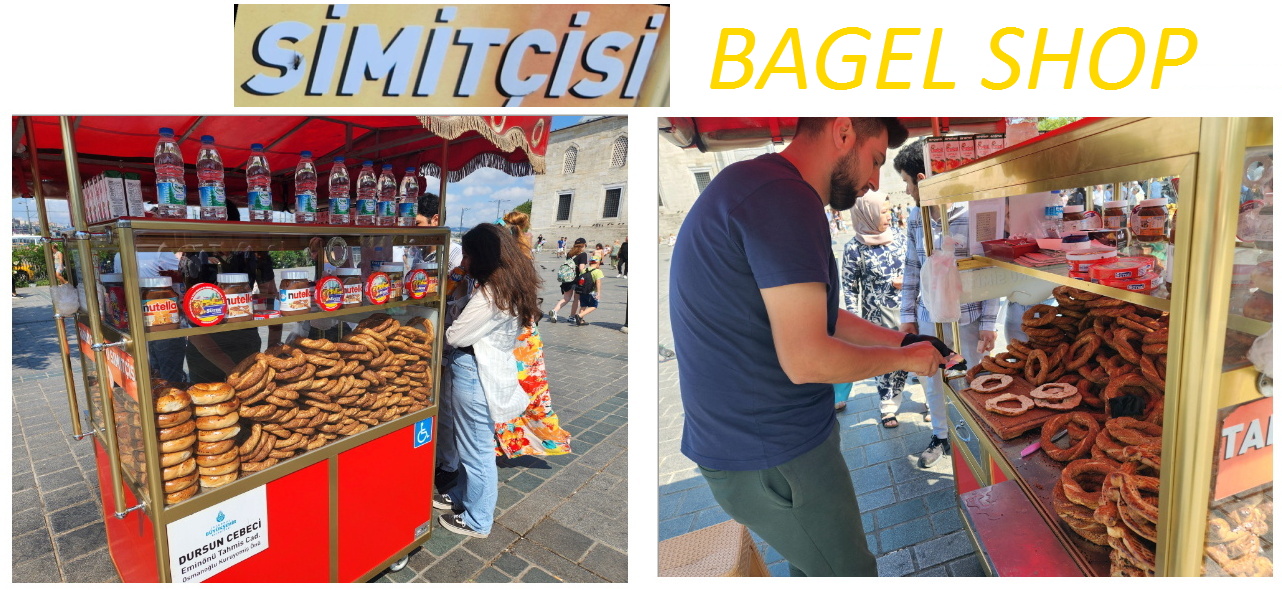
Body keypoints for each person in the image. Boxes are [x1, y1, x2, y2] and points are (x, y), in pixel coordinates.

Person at [670, 117, 945, 577]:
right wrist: (904, 359)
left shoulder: (755, 182)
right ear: (843, 132)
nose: (875, 181)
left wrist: (902, 339)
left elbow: (816, 313)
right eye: (875, 160)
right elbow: (807, 358)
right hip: (773, 451)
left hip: (755, 443)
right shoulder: (784, 199)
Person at [894, 138, 1000, 468]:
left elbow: (991, 270)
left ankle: (978, 434)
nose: (907, 191)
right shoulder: (916, 216)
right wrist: (907, 316)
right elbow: (911, 267)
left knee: (972, 377)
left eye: (907, 183)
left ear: (922, 179)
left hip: (968, 320)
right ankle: (941, 435)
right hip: (929, 319)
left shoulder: (977, 211)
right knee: (932, 380)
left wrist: (989, 322)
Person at [434, 223, 542, 539]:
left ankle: (478, 519)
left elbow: (456, 335)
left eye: (468, 256)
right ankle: (465, 498)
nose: (464, 262)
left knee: (476, 451)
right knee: (471, 445)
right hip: (489, 368)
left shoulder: (491, 294)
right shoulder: (510, 284)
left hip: (475, 373)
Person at [841, 192, 909, 425]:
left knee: (918, 351)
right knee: (886, 360)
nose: (889, 216)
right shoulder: (854, 248)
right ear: (867, 214)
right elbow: (850, 288)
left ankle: (931, 402)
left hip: (908, 310)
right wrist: (854, 323)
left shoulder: (899, 236)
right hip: (877, 317)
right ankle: (888, 406)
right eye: (883, 212)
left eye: (889, 211)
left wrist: (907, 281)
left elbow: (915, 267)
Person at [547, 238, 588, 322]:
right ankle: (572, 316)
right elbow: (581, 268)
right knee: (576, 299)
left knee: (566, 298)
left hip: (567, 278)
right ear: (584, 245)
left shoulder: (570, 253)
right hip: (576, 279)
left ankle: (554, 311)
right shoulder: (583, 254)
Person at [572, 258, 605, 326]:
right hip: (592, 291)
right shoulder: (598, 271)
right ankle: (579, 315)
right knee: (594, 306)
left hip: (582, 291)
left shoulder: (584, 270)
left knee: (583, 305)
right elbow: (598, 282)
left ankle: (580, 320)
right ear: (597, 263)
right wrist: (598, 292)